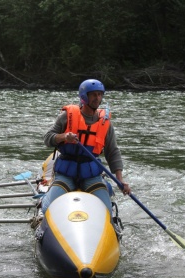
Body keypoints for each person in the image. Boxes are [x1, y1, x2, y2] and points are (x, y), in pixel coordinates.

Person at [41, 79, 131, 215]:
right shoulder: (66, 117)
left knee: (107, 210)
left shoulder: (105, 123)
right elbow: (48, 138)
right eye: (94, 95)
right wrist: (64, 137)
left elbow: (112, 152)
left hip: (90, 174)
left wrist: (120, 179)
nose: (98, 98)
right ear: (84, 96)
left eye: (100, 94)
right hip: (66, 173)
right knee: (48, 207)